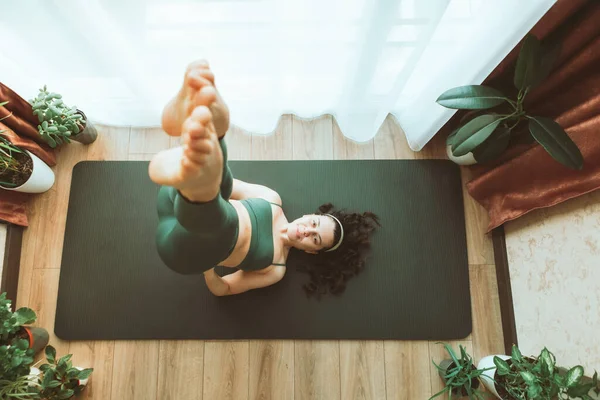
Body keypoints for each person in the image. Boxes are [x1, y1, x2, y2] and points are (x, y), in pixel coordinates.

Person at [149, 60, 380, 297]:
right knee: (222, 187)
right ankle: (210, 129)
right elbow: (227, 186)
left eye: (315, 239)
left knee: (222, 225)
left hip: (187, 249)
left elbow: (224, 289)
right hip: (176, 199)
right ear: (310, 215)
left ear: (312, 252)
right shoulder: (271, 199)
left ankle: (203, 137)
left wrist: (208, 268)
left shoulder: (276, 267)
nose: (307, 231)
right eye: (313, 224)